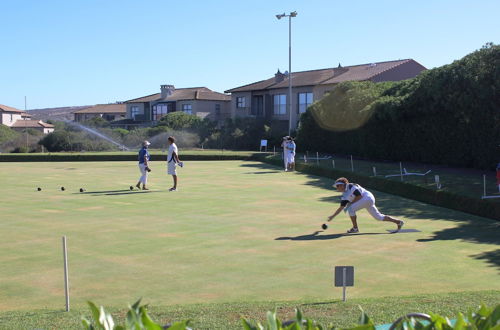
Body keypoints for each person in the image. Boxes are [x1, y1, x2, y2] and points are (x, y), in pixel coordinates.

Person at [326, 177, 405, 233]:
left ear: (343, 184)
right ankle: (398, 222)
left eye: (338, 186)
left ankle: (355, 228)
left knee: (351, 209)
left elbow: (359, 196)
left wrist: (351, 203)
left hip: (367, 198)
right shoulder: (344, 195)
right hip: (366, 200)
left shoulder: (351, 186)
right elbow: (341, 207)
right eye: (336, 186)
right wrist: (332, 216)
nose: (337, 188)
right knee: (378, 217)